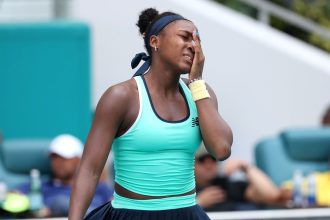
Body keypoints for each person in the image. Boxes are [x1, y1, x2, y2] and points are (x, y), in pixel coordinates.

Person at [69, 8, 233, 220]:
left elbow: (221, 150)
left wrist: (197, 83)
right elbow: (90, 170)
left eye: (196, 40)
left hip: (188, 213)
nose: (193, 45)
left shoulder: (200, 92)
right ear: (155, 42)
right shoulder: (121, 96)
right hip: (132, 214)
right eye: (184, 37)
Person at [16, 134, 114, 217]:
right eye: (54, 158)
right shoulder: (38, 186)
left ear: (78, 159)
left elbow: (115, 209)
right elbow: (13, 197)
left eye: (63, 158)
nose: (57, 162)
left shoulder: (100, 188)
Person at [195, 145, 291, 211]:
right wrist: (198, 203)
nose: (209, 165)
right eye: (202, 160)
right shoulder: (183, 189)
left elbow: (272, 195)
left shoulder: (227, 185)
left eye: (212, 159)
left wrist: (246, 167)